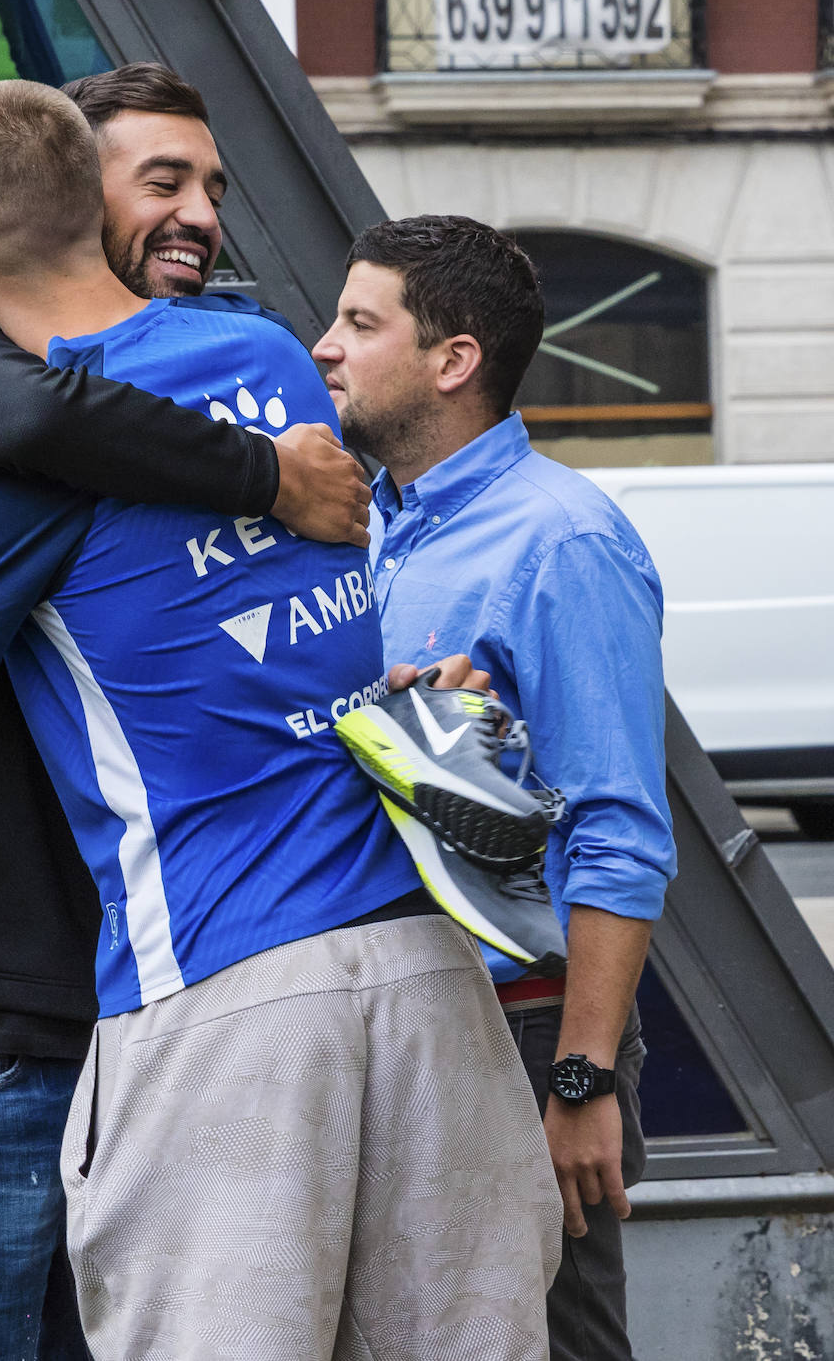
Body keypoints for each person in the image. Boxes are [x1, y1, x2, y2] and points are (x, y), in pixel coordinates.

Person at [0, 81, 562, 1359]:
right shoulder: (263, 357)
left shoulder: (15, 461)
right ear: (90, 210)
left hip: (224, 986)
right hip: (424, 970)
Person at [312, 214, 677, 1361]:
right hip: (394, 1022)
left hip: (525, 1043)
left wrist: (581, 1079)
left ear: (452, 361)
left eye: (360, 324)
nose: (325, 346)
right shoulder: (370, 528)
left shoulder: (562, 541)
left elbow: (621, 834)